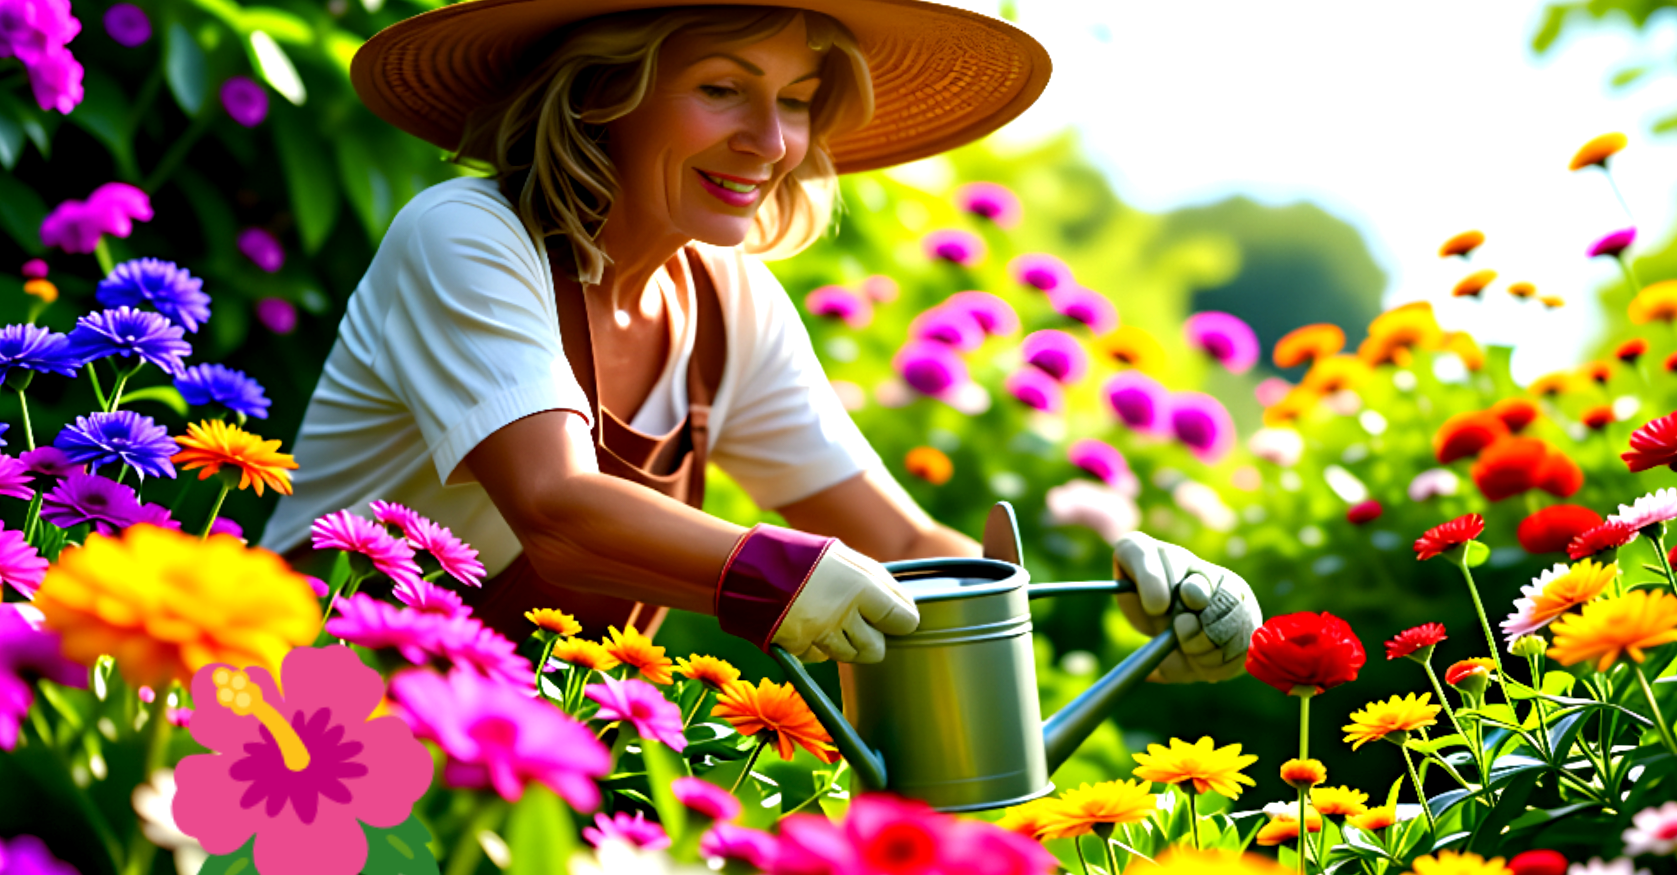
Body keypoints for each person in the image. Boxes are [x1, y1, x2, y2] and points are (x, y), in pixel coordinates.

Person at [259, 0, 1260, 681]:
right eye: (724, 89)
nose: (772, 144)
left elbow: (905, 547)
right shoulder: (469, 235)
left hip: (508, 775)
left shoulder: (728, 299)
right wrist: (779, 576)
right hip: (298, 723)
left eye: (792, 102)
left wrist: (1113, 610)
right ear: (604, 92)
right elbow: (558, 509)